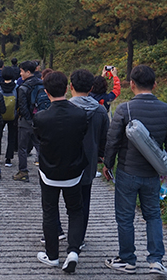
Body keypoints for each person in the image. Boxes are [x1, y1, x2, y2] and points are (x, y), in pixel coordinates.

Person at [103, 65, 167, 276]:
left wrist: (108, 164)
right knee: (153, 215)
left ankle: (127, 260)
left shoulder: (124, 109)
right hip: (153, 174)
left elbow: (112, 141)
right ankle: (156, 261)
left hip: (127, 171)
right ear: (155, 84)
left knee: (125, 217)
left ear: (132, 84)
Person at [34, 71, 88, 273]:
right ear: (67, 88)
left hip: (49, 171)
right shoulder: (80, 115)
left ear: (46, 92)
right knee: (75, 210)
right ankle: (73, 251)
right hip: (74, 171)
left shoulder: (41, 117)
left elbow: (38, 139)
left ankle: (52, 255)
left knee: (50, 210)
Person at [69, 69, 109, 248]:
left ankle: (59, 232)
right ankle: (79, 238)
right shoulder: (100, 111)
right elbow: (104, 139)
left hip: (66, 162)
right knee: (84, 200)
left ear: (71, 86)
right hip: (89, 161)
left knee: (60, 198)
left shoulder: (65, 107)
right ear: (91, 87)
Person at [12, 60, 43, 182]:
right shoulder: (42, 84)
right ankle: (43, 171)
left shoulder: (23, 87)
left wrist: (28, 121)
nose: (20, 74)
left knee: (23, 148)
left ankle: (23, 172)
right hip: (41, 119)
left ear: (28, 72)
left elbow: (22, 107)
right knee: (39, 146)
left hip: (26, 122)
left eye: (21, 71)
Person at [0, 66, 18, 167]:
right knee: (11, 136)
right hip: (13, 115)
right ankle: (8, 158)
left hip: (0, 115)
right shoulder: (16, 87)